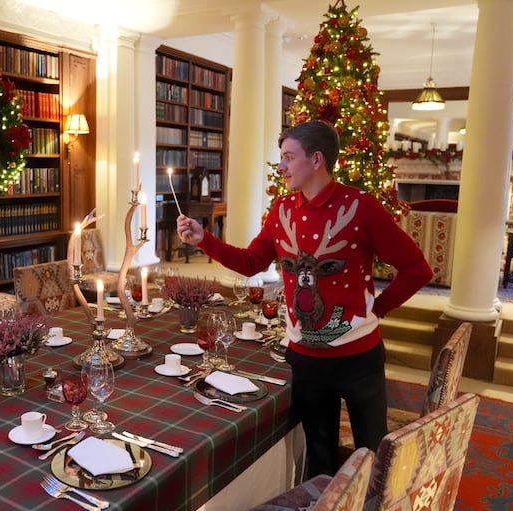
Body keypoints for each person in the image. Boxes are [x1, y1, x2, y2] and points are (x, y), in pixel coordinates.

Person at [176, 120, 432, 477]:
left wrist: (379, 308)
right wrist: (205, 239)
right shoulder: (281, 209)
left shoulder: (363, 207)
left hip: (359, 358)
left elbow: (417, 269)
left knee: (372, 456)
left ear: (316, 160)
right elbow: (252, 262)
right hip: (306, 360)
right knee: (319, 455)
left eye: (288, 157)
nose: (280, 166)